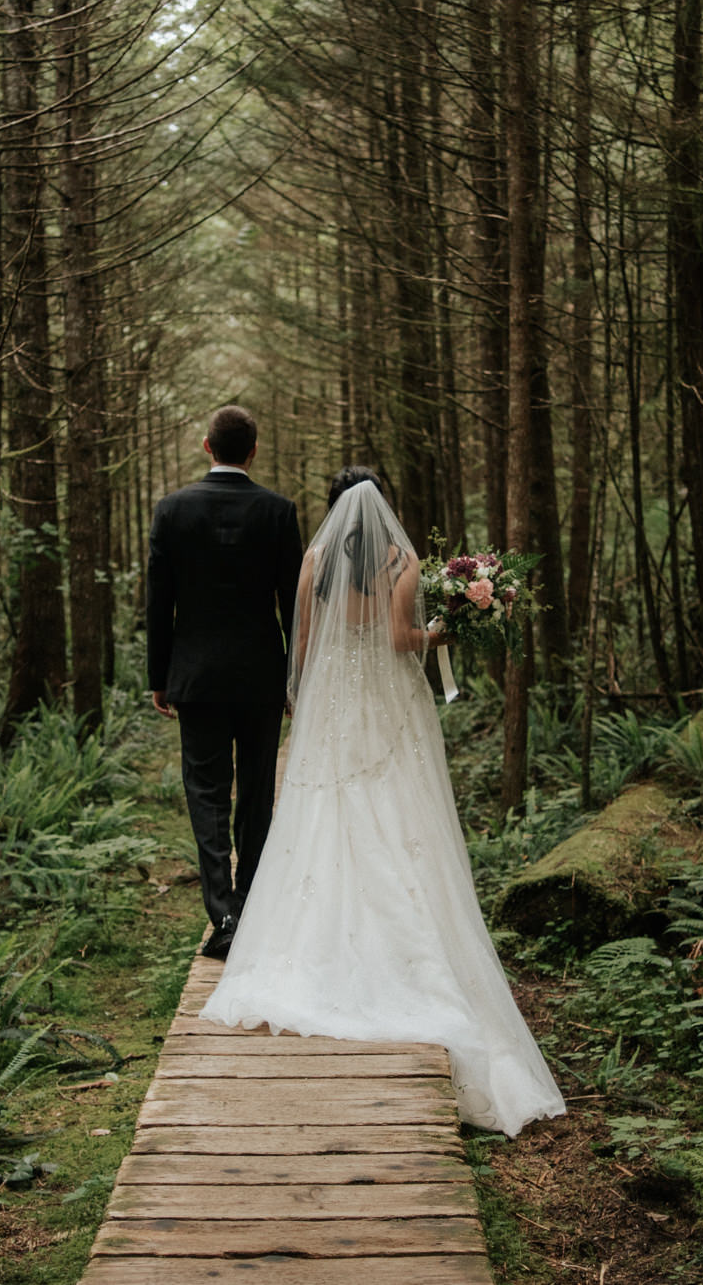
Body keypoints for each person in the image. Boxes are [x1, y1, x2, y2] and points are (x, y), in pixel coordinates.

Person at [199, 467, 567, 1137]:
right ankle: (402, 947)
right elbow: (402, 639)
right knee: (395, 813)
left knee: (324, 813)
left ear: (337, 510)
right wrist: (446, 632)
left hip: (332, 700)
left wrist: (300, 696)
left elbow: (304, 642)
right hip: (385, 699)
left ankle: (316, 943)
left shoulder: (313, 558)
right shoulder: (402, 557)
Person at [147, 405, 304, 962]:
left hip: (197, 678)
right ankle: (249, 902)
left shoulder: (172, 510)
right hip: (261, 677)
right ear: (253, 450)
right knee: (256, 794)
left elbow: (159, 603)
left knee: (207, 794)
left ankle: (226, 914)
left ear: (207, 447)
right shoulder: (279, 512)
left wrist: (159, 678)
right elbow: (293, 606)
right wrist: (295, 679)